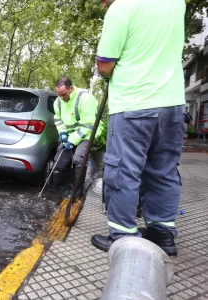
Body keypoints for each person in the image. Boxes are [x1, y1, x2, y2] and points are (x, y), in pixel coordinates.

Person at [91, 0, 185, 256]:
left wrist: (111, 72)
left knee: (123, 172)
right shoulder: (176, 4)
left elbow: (104, 65)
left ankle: (122, 237)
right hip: (173, 105)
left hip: (134, 104)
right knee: (164, 171)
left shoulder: (122, 8)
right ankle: (162, 234)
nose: (102, 5)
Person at [51, 77, 98, 197]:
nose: (61, 98)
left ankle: (77, 192)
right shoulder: (57, 101)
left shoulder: (85, 98)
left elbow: (89, 124)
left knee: (79, 158)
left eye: (64, 94)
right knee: (60, 160)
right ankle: (55, 190)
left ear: (71, 88)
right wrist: (62, 132)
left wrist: (72, 141)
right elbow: (57, 118)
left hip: (87, 133)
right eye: (59, 95)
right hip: (71, 134)